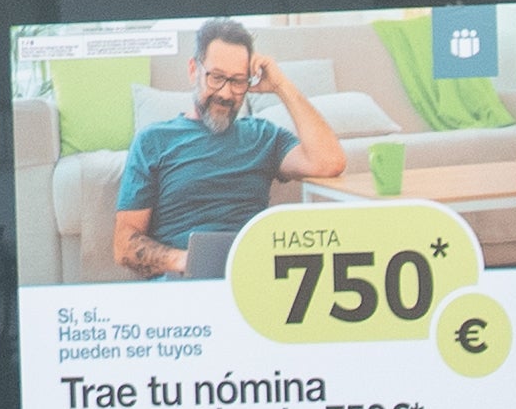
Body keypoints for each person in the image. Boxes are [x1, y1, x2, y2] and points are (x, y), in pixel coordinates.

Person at [110, 16, 350, 278]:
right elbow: (124, 245)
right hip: (184, 279)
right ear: (193, 70)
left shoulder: (263, 136)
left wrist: (281, 85)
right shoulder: (153, 140)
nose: (225, 93)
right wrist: (190, 261)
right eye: (216, 77)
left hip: (253, 277)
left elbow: (329, 162)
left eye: (237, 81)